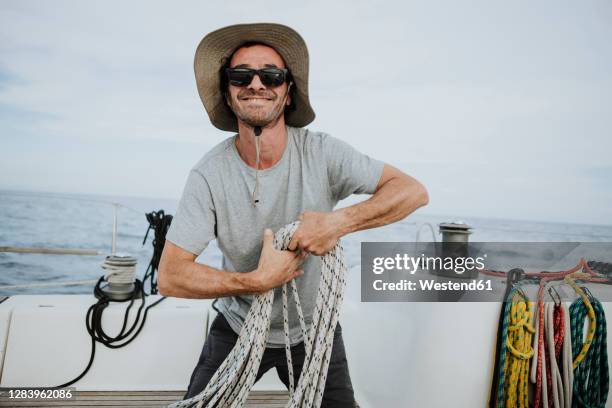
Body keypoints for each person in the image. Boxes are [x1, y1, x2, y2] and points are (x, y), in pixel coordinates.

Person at [158, 22, 429, 407]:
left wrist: (338, 222)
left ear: (287, 93)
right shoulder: (209, 174)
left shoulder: (322, 153)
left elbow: (412, 191)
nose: (256, 84)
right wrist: (255, 281)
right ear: (227, 91)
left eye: (271, 75)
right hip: (238, 325)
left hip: (314, 330)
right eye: (241, 75)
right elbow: (170, 276)